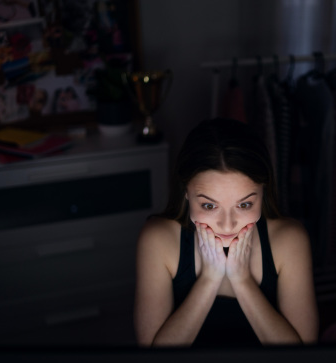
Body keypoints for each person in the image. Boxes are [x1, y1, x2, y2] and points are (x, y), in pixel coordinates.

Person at [134, 118, 319, 347]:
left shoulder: (289, 240)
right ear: (186, 193)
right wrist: (209, 279)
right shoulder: (158, 240)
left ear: (263, 192)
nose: (228, 224)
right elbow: (153, 361)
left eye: (244, 205)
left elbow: (301, 361)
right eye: (209, 206)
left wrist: (242, 280)